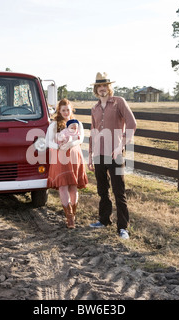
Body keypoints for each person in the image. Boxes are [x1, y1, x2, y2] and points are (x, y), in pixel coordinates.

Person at [88, 72, 137, 239]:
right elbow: (93, 132)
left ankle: (123, 227)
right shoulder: (94, 108)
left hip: (115, 153)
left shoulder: (119, 102)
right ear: (96, 89)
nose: (102, 89)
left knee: (119, 191)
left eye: (105, 86)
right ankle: (104, 220)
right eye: (99, 86)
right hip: (98, 154)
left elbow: (132, 123)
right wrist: (90, 155)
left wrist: (121, 145)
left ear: (109, 87)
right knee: (102, 190)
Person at [46, 98, 88, 229]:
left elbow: (81, 138)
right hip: (60, 157)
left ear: (71, 110)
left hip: (75, 156)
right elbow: (48, 141)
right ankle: (69, 217)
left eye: (68, 110)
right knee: (63, 186)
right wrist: (58, 147)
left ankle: (73, 214)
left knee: (73, 186)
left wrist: (71, 143)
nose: (65, 112)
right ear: (59, 110)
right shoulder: (54, 124)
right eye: (63, 110)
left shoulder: (77, 123)